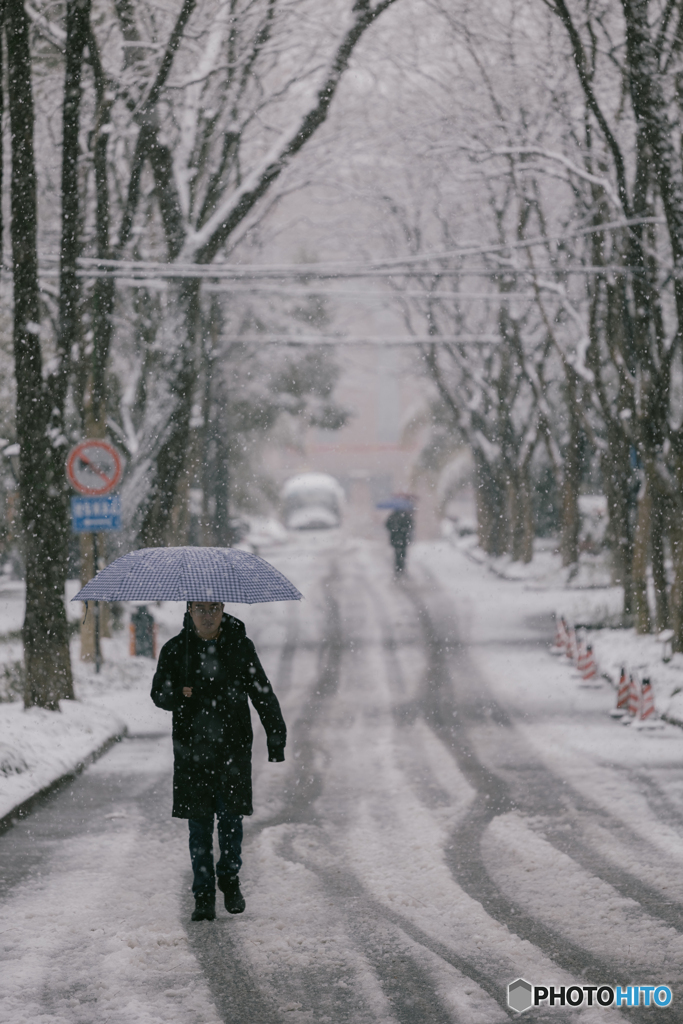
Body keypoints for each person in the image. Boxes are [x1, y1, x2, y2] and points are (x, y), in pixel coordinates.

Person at [151, 600, 286, 922]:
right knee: (198, 825)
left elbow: (261, 691)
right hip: (191, 751)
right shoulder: (175, 649)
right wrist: (178, 693)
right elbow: (158, 694)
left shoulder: (240, 646)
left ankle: (229, 876)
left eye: (213, 608)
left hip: (232, 748)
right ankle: (203, 894)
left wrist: (276, 735)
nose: (207, 615)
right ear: (189, 610)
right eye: (200, 609)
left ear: (223, 609)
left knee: (230, 819)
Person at [385, 505, 414, 573]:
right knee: (403, 553)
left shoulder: (392, 516)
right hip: (404, 539)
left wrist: (394, 529)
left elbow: (387, 525)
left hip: (395, 539)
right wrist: (404, 530)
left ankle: (398, 568)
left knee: (397, 554)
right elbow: (411, 526)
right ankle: (402, 567)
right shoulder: (406, 517)